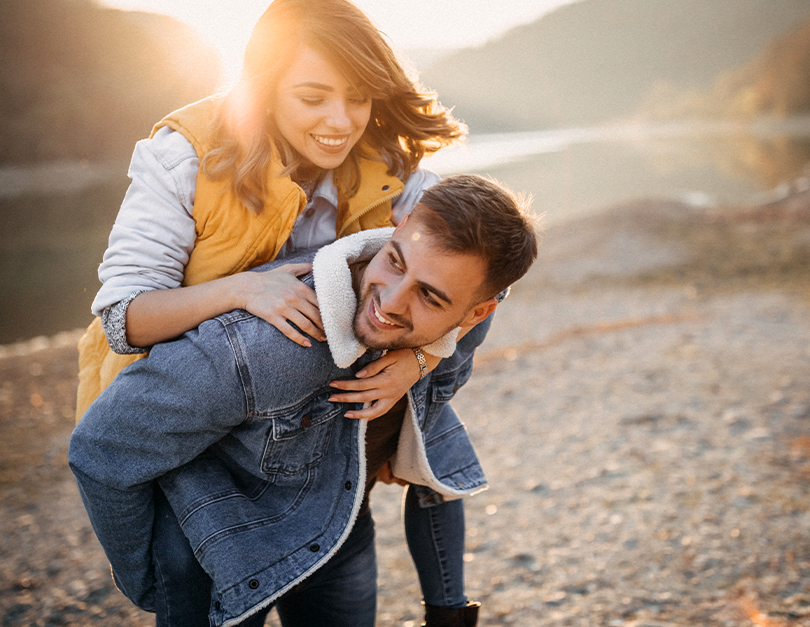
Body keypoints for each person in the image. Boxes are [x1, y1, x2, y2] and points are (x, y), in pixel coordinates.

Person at [74, 0, 469, 622]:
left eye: (360, 97)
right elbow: (123, 319)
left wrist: (419, 360)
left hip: (324, 458)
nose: (341, 121)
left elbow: (474, 270)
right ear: (263, 88)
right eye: (313, 97)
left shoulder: (387, 165)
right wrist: (239, 290)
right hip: (201, 468)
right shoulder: (183, 157)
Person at [69, 175, 539, 627]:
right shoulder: (257, 348)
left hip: (339, 532)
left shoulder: (471, 320)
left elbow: (496, 283)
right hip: (219, 560)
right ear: (402, 223)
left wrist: (419, 359)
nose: (392, 302)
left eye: (430, 297)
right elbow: (101, 447)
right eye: (395, 262)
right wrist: (148, 583)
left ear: (476, 312)